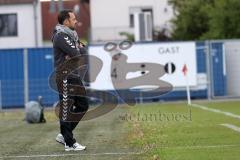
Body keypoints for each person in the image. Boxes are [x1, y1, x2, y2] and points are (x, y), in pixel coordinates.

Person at [52, 9, 89, 151]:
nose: (76, 21)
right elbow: (76, 53)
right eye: (73, 19)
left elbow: (83, 53)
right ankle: (69, 142)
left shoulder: (72, 35)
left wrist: (78, 50)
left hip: (74, 75)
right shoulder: (61, 35)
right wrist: (77, 50)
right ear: (66, 21)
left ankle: (63, 134)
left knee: (83, 105)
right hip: (65, 76)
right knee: (66, 109)